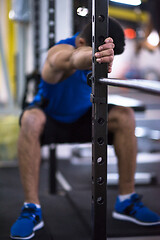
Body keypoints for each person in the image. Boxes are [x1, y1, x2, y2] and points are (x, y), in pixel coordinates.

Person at [10, 17, 160, 240]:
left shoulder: (96, 52)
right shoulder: (60, 51)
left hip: (83, 117)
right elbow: (72, 58)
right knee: (30, 119)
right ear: (81, 42)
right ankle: (31, 208)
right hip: (51, 119)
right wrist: (93, 56)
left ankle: (126, 201)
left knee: (124, 116)